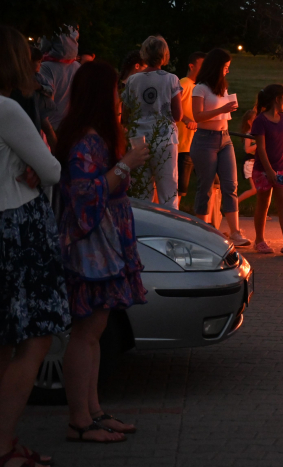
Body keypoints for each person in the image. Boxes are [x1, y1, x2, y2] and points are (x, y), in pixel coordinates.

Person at [55, 61, 150, 444]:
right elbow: (84, 195)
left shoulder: (93, 136)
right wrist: (126, 165)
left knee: (95, 330)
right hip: (94, 249)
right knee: (86, 331)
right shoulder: (87, 141)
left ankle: (93, 411)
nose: (120, 99)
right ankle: (81, 418)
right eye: (115, 92)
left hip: (106, 243)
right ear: (100, 96)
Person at [0, 25, 70, 467]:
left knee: (4, 338)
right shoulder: (7, 109)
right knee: (38, 336)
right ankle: (4, 443)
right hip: (17, 225)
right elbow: (51, 170)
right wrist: (36, 163)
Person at [190, 48, 250, 246]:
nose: (227, 71)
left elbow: (222, 112)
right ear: (216, 67)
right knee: (205, 186)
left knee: (230, 185)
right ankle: (202, 231)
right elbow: (197, 116)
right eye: (225, 67)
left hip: (225, 139)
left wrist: (228, 109)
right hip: (205, 140)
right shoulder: (200, 88)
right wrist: (222, 109)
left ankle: (235, 232)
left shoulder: (221, 88)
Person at [123, 35, 182, 209]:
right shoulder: (171, 79)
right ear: (164, 55)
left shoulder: (133, 80)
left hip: (138, 140)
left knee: (141, 192)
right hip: (165, 140)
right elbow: (178, 115)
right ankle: (170, 230)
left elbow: (125, 116)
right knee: (168, 192)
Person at [250, 84, 283, 255]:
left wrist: (280, 168)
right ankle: (259, 240)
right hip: (263, 170)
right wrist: (269, 170)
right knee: (263, 204)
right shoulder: (260, 121)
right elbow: (261, 149)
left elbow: (282, 143)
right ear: (277, 99)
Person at [37, 27, 80, 131]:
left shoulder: (45, 67)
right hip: (73, 124)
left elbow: (46, 98)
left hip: (51, 127)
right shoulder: (77, 66)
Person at [177, 51, 205, 204]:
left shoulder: (200, 87)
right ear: (192, 66)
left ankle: (208, 221)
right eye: (202, 65)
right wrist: (187, 120)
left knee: (214, 183)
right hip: (184, 145)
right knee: (180, 189)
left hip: (199, 144)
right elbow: (172, 107)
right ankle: (174, 219)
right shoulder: (184, 83)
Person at [237, 107, 258, 204]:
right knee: (255, 189)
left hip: (258, 163)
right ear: (249, 122)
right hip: (250, 163)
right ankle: (234, 204)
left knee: (262, 189)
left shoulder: (258, 134)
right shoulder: (249, 135)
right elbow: (247, 149)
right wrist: (259, 145)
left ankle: (262, 213)